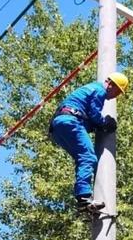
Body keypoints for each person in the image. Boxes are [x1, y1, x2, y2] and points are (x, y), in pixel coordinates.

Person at [49, 72, 128, 211]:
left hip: (58, 126)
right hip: (70, 122)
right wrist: (105, 123)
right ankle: (84, 198)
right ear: (111, 85)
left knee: (82, 158)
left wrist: (98, 126)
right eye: (118, 91)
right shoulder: (99, 90)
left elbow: (88, 118)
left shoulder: (90, 89)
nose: (117, 96)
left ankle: (82, 197)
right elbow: (94, 113)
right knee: (88, 157)